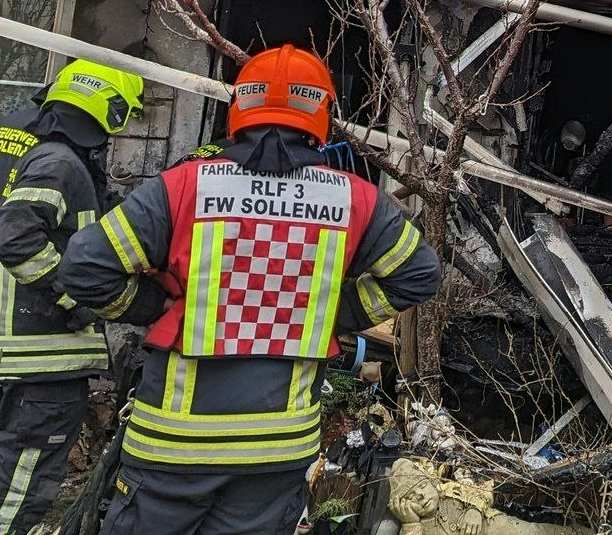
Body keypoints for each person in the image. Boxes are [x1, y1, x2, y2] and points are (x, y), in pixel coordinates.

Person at [61, 44, 442, 535]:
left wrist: (158, 307)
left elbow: (85, 268)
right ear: (321, 113)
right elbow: (418, 274)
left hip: (173, 447)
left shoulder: (183, 187)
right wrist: (330, 314)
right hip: (276, 450)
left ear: (239, 106)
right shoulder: (356, 200)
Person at [0, 58, 146, 534]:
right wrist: (75, 295)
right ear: (110, 111)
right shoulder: (60, 164)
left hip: (22, 352)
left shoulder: (48, 156)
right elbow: (15, 238)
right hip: (46, 358)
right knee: (24, 483)